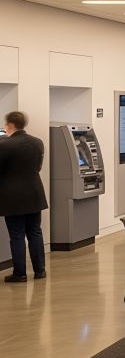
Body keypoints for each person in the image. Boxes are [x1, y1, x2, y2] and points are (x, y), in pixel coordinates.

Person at [0, 111, 48, 283]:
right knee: (35, 232)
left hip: (13, 198)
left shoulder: (3, 144)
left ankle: (19, 274)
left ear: (10, 125)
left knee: (17, 235)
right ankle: (40, 270)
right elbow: (38, 167)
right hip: (34, 194)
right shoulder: (37, 143)